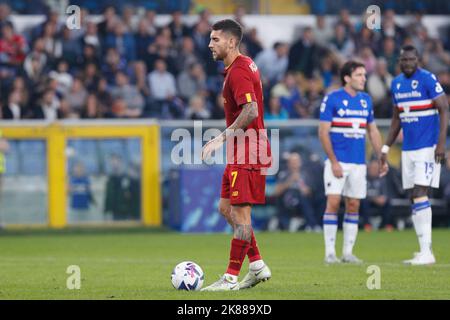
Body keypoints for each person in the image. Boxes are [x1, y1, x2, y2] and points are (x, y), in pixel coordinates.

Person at [200, 19, 272, 291]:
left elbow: (251, 111)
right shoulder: (240, 67)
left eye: (215, 39)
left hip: (249, 151)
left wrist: (220, 139)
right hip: (241, 150)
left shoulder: (240, 71)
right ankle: (256, 265)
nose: (210, 44)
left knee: (241, 216)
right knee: (226, 209)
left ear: (231, 41)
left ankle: (230, 277)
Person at [380, 45, 449, 265]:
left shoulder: (428, 79)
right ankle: (422, 250)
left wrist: (441, 145)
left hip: (427, 147)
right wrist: (385, 147)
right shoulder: (397, 83)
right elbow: (396, 119)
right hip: (408, 149)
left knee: (421, 192)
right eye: (404, 60)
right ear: (400, 62)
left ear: (417, 59)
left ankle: (427, 252)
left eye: (411, 59)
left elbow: (444, 109)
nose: (407, 63)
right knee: (412, 195)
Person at [318, 60, 388, 264]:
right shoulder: (332, 98)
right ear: (347, 78)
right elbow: (323, 132)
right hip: (337, 161)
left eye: (364, 75)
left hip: (358, 162)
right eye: (359, 75)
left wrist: (380, 156)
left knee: (354, 204)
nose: (363, 79)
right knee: (332, 202)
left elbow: (372, 130)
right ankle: (330, 253)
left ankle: (348, 253)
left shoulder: (366, 100)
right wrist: (333, 162)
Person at [273, 152, 321, 232]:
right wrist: (290, 180)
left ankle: (312, 225)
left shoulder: (306, 174)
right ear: (288, 163)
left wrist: (301, 186)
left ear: (300, 162)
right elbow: (277, 191)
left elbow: (310, 191)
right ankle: (283, 225)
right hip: (287, 201)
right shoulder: (283, 174)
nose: (294, 164)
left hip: (303, 201)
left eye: (296, 161)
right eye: (292, 162)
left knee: (304, 198)